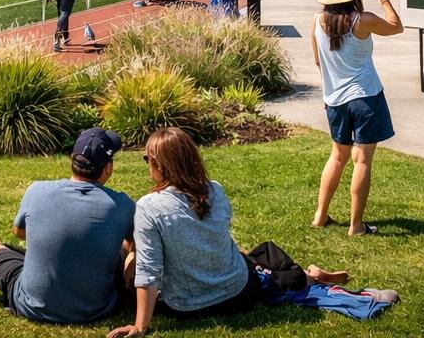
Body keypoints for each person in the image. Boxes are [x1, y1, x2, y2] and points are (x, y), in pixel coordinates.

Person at [110, 127, 376, 338]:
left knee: (130, 263)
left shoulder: (148, 207)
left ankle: (305, 276)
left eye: (147, 159)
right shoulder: (214, 190)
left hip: (190, 305)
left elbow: (149, 270)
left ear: (159, 164)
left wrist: (140, 325)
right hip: (239, 293)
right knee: (254, 256)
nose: (147, 165)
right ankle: (305, 276)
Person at [0, 128, 135, 324]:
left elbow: (20, 233)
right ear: (108, 167)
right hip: (97, 309)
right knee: (126, 245)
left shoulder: (37, 190)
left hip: (31, 306)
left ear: (72, 159)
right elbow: (134, 244)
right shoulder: (123, 204)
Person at [311, 0, 401, 234]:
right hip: (365, 96)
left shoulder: (317, 21)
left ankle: (320, 215)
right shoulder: (363, 20)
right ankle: (356, 225)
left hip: (335, 98)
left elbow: (318, 61)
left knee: (337, 157)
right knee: (361, 161)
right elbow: (397, 27)